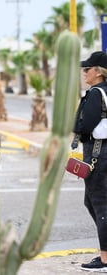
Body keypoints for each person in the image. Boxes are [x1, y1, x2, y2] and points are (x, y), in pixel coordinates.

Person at [73, 51, 107, 273]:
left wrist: (77, 128)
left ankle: (105, 260)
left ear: (99, 72)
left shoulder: (95, 93)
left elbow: (86, 126)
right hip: (103, 152)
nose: (84, 73)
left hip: (98, 152)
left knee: (100, 204)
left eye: (88, 69)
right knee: (92, 202)